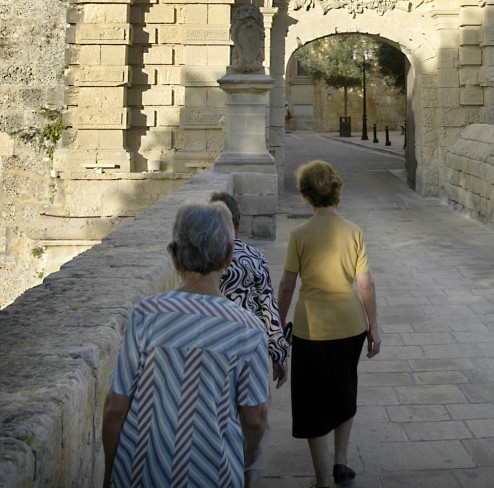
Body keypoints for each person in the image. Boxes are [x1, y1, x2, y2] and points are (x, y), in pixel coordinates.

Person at [102, 201, 269, 488]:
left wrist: (109, 472)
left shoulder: (146, 315)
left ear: (174, 257)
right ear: (228, 257)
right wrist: (247, 460)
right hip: (212, 475)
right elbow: (254, 418)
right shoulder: (248, 330)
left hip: (141, 473)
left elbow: (116, 407)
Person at [277, 159, 381, 488]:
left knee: (312, 401)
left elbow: (287, 285)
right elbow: (365, 284)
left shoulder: (299, 235)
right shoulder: (354, 231)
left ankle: (322, 479)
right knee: (344, 389)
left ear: (305, 194)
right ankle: (341, 462)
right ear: (335, 189)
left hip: (312, 328)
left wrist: (278, 325)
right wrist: (374, 327)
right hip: (351, 326)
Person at [209, 191, 291, 488]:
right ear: (238, 224)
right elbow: (268, 311)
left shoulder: (202, 260)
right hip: (250, 357)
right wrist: (280, 357)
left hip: (212, 356)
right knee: (256, 424)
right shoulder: (255, 259)